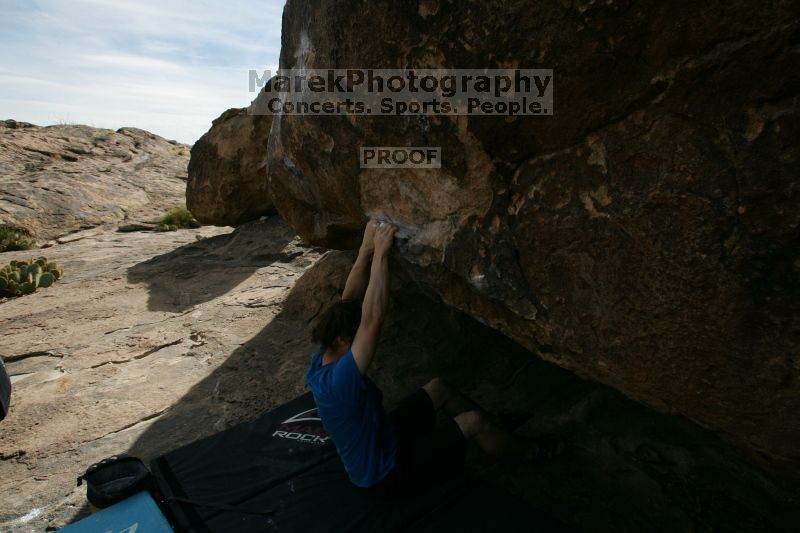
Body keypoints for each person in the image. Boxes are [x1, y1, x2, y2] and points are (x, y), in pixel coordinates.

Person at [305, 219, 541, 497]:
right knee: (472, 421)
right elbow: (372, 318)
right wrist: (381, 253)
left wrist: (366, 249)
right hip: (387, 475)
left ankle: (497, 432)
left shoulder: (327, 354)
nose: (361, 338)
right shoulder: (340, 380)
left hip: (385, 437)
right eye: (355, 335)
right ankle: (533, 452)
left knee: (438, 388)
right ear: (344, 340)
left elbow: (350, 299)